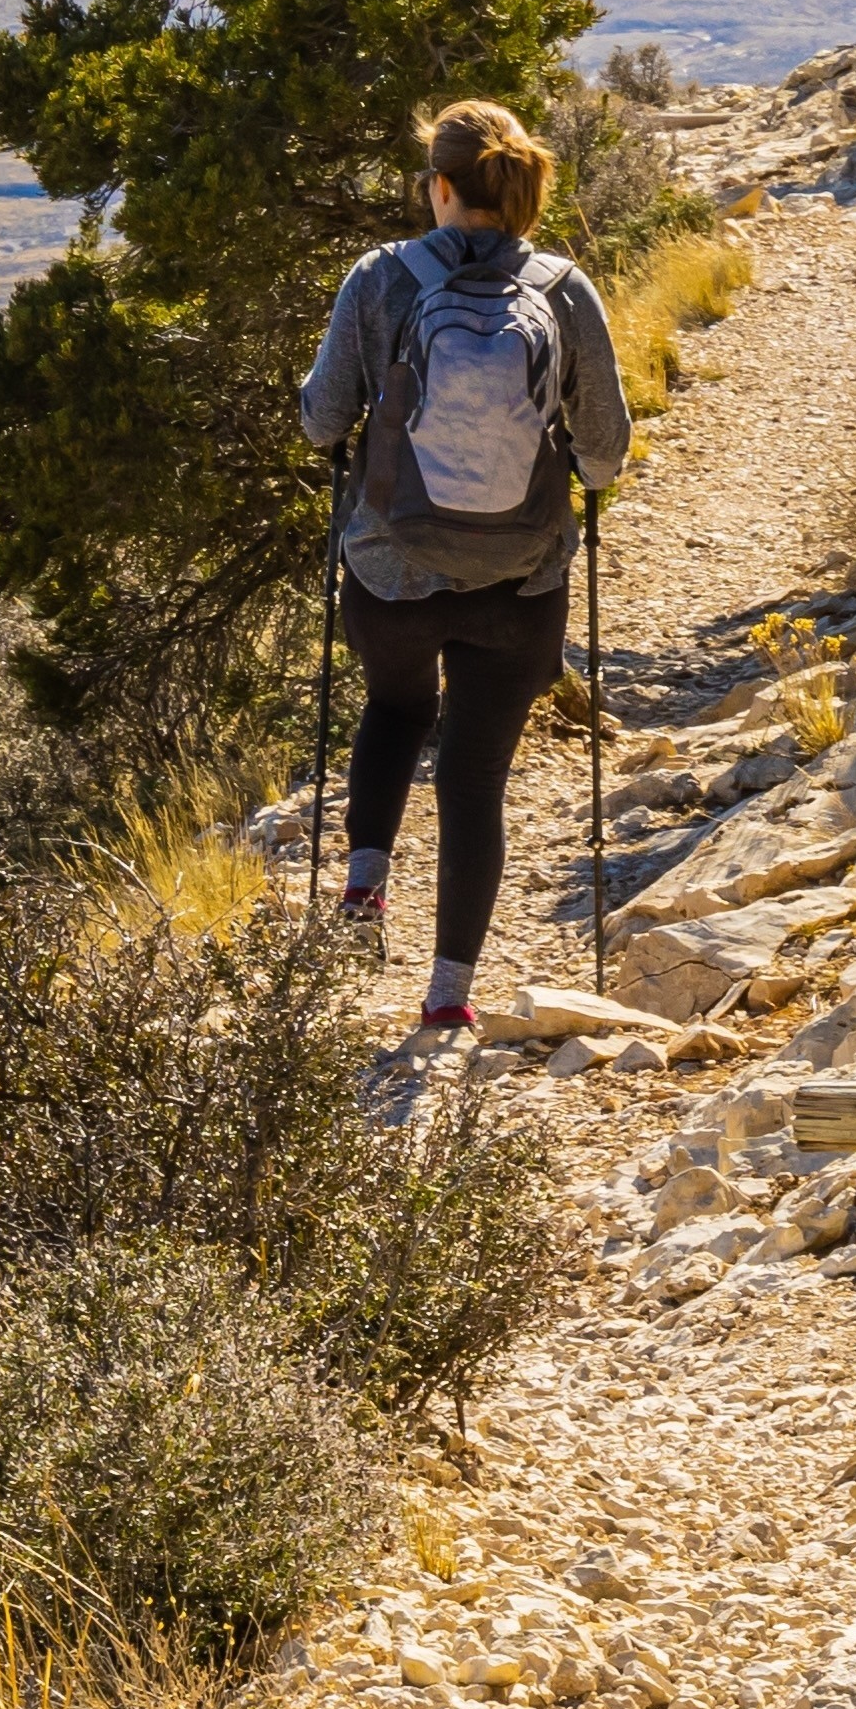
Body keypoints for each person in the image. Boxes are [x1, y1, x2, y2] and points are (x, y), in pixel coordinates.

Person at [300, 97, 633, 1036]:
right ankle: (447, 995)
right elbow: (604, 449)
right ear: (522, 189)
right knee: (475, 775)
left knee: (397, 706)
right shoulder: (565, 289)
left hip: (391, 568)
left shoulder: (377, 280)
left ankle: (364, 888)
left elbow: (324, 420)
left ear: (437, 186)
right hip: (519, 580)